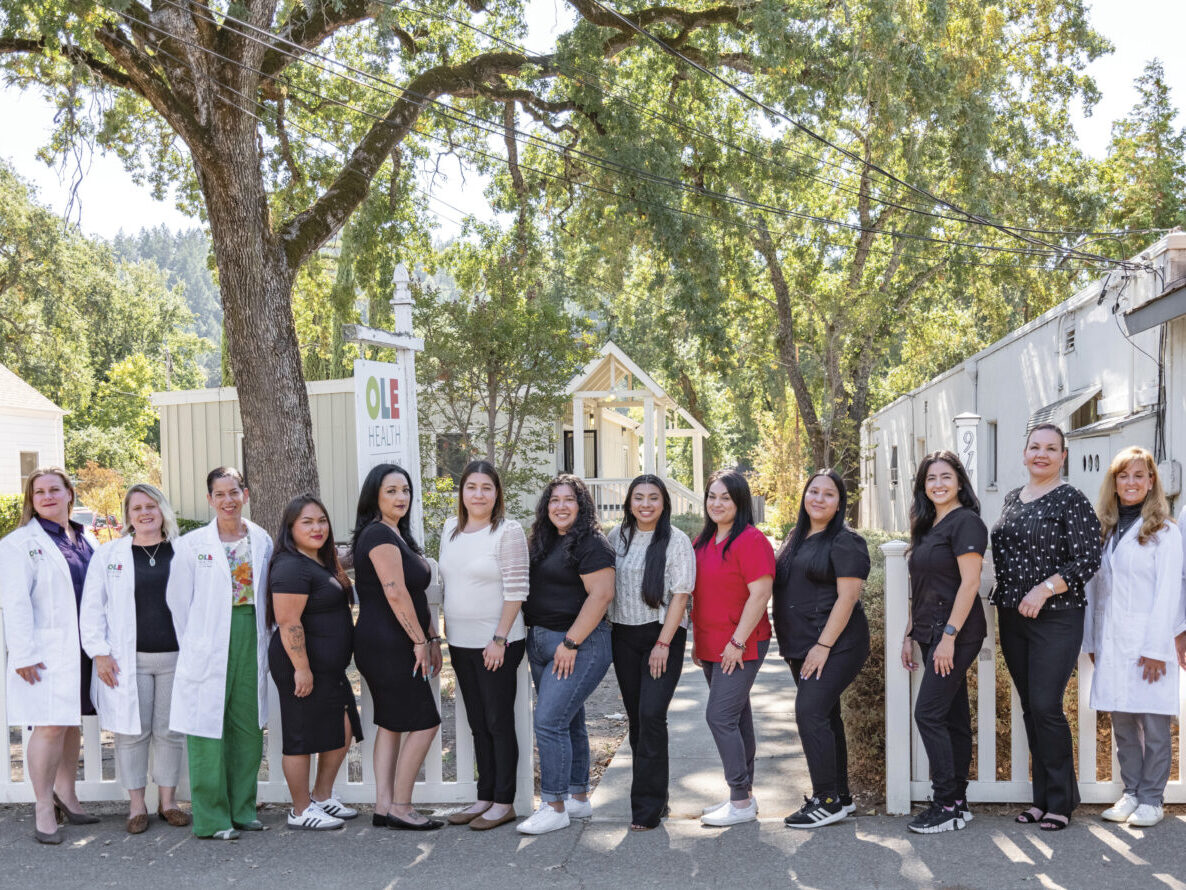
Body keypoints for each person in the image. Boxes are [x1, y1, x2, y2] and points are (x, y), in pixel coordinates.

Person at [990, 423, 1101, 831]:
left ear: (1062, 456)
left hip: (1057, 615)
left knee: (1045, 705)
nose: (1042, 454)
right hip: (1012, 614)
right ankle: (1041, 800)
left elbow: (1089, 558)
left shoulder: (1071, 499)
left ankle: (1061, 801)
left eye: (1051, 449)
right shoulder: (1010, 499)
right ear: (1024, 454)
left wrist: (1044, 589)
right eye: (1034, 447)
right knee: (1029, 707)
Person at [166, 467, 273, 840]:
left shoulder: (261, 539)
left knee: (247, 726)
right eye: (219, 494)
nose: (228, 500)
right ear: (210, 499)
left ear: (244, 493)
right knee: (207, 728)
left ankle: (243, 809)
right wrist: (196, 642)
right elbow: (178, 603)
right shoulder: (191, 545)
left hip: (250, 633)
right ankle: (212, 818)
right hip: (208, 640)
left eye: (234, 492)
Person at [80, 483, 190, 834]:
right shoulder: (110, 554)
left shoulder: (181, 552)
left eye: (151, 506)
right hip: (129, 660)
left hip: (176, 658)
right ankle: (137, 805)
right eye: (136, 508)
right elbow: (92, 608)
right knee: (132, 732)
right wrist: (99, 654)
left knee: (170, 732)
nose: (144, 513)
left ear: (163, 510)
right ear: (128, 515)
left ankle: (168, 802)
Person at [0, 467, 100, 844]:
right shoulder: (18, 544)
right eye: (38, 491)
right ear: (32, 499)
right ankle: (44, 805)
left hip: (81, 648)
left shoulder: (86, 538)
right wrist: (23, 653)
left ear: (69, 493)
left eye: (54, 489)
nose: (46, 497)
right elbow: (15, 602)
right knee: (49, 726)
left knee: (70, 722)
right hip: (44, 650)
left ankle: (67, 795)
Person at [1083, 447, 1181, 829]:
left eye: (1139, 475)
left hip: (1148, 643)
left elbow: (1169, 593)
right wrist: (1093, 641)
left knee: (1154, 724)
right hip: (1112, 641)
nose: (1131, 483)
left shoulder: (1164, 532)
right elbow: (1096, 591)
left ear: (1152, 481)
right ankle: (1133, 792)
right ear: (1114, 481)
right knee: (1122, 722)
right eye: (1124, 476)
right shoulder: (1105, 529)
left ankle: (1153, 799)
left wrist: (1157, 649)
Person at [517, 474, 615, 835]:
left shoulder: (592, 544)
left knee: (548, 721)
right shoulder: (543, 541)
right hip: (542, 641)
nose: (561, 506)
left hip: (579, 644)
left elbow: (601, 595)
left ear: (581, 505)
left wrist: (570, 643)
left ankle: (554, 804)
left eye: (569, 500)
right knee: (569, 720)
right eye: (554, 500)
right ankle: (577, 797)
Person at [773, 469, 870, 829]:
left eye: (829, 494)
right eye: (813, 491)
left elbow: (848, 599)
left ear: (840, 503)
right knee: (826, 715)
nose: (818, 498)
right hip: (800, 645)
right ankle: (840, 797)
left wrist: (823, 645)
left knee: (809, 712)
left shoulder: (845, 541)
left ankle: (825, 799)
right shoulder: (795, 538)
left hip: (837, 644)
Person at [352, 463, 444, 831]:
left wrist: (432, 637)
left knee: (391, 724)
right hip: (387, 644)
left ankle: (383, 805)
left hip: (389, 641)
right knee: (425, 723)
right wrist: (419, 641)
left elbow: (417, 595)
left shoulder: (396, 534)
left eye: (405, 490)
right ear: (375, 495)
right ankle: (402, 807)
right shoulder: (378, 536)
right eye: (391, 490)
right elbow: (395, 592)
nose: (400, 497)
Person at [439, 461, 529, 831]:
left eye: (486, 488)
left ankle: (504, 801)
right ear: (462, 492)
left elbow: (517, 589)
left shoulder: (507, 532)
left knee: (498, 721)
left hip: (497, 643)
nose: (478, 494)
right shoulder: (450, 529)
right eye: (471, 487)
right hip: (459, 643)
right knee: (477, 722)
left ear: (497, 494)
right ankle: (484, 795)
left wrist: (499, 638)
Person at [900, 453, 987, 834]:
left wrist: (948, 638)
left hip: (955, 632)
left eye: (945, 476)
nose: (938, 483)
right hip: (929, 630)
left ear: (959, 482)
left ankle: (946, 802)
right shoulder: (928, 525)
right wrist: (908, 634)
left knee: (928, 714)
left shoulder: (966, 522)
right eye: (930, 478)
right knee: (951, 716)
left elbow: (970, 584)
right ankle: (959, 802)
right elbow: (920, 588)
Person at [267, 495, 363, 831]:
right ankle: (300, 809)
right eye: (307, 522)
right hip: (300, 664)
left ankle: (321, 797)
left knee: (345, 725)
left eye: (321, 520)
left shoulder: (322, 561)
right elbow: (288, 621)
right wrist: (302, 667)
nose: (317, 527)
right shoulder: (290, 565)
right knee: (301, 735)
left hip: (329, 667)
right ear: (290, 528)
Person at [607, 474, 696, 831]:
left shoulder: (676, 541)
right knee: (638, 720)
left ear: (664, 504)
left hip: (663, 637)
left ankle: (645, 810)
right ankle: (657, 798)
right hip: (624, 638)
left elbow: (681, 594)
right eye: (639, 497)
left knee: (652, 716)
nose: (646, 504)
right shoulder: (618, 538)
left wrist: (663, 643)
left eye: (653, 498)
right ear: (629, 502)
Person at [692, 469, 775, 828]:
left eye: (725, 497)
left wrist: (737, 642)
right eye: (712, 496)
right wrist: (698, 643)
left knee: (720, 716)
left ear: (740, 502)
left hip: (742, 643)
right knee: (737, 717)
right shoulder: (702, 541)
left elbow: (760, 595)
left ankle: (739, 799)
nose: (717, 503)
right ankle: (744, 797)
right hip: (711, 643)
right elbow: (700, 597)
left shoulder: (751, 540)